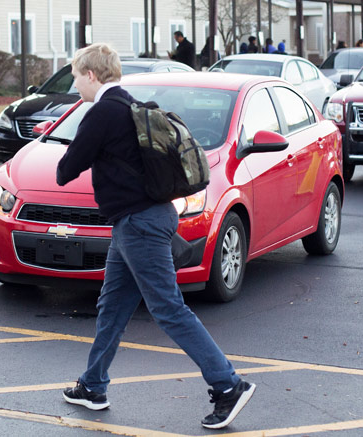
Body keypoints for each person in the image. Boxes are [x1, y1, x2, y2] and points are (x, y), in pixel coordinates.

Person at [56, 43, 254, 430]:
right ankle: (93, 385)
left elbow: (65, 169)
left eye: (77, 76)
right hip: (143, 220)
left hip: (139, 225)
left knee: (168, 309)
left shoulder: (101, 114)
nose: (75, 83)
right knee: (112, 306)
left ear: (91, 76)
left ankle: (228, 385)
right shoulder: (132, 105)